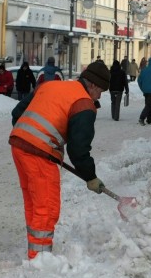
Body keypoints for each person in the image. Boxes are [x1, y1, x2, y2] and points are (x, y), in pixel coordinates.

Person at [9, 60, 111, 259]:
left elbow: (17, 113)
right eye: (101, 91)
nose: (100, 96)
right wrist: (90, 176)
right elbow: (79, 149)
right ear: (93, 85)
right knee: (47, 206)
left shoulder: (52, 85)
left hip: (19, 146)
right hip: (38, 154)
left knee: (34, 203)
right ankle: (40, 259)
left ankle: (35, 252)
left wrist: (30, 136)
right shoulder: (83, 103)